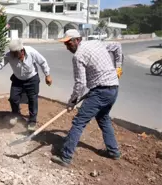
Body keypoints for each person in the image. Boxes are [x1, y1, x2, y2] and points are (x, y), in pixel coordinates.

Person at [50, 29, 123, 167]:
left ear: (78, 40)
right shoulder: (96, 43)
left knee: (78, 122)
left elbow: (81, 84)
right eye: (65, 44)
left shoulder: (78, 56)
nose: (67, 47)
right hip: (113, 88)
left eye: (69, 43)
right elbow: (117, 46)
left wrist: (72, 101)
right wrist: (118, 66)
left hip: (100, 91)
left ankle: (65, 156)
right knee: (103, 118)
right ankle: (113, 152)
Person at [0, 39, 52, 131]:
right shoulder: (9, 55)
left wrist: (47, 75)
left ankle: (32, 121)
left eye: (14, 53)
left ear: (21, 51)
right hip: (17, 79)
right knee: (13, 98)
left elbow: (42, 62)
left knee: (33, 99)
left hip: (32, 79)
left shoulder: (31, 51)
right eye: (11, 52)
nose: (12, 55)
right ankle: (16, 115)